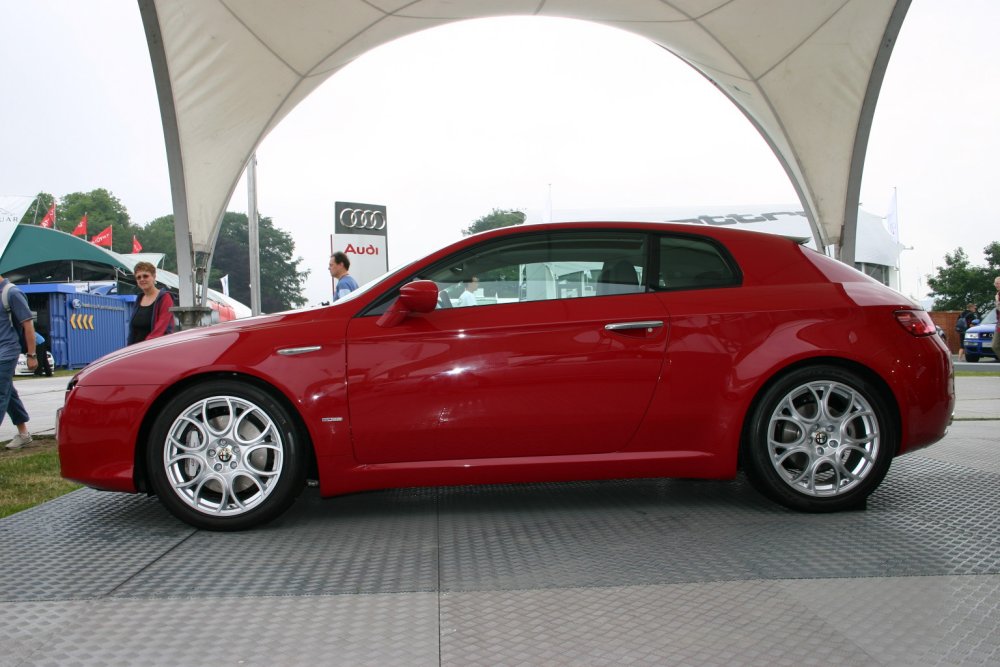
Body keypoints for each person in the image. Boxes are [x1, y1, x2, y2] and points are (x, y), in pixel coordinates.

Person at [0, 274, 36, 450]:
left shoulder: (12, 293)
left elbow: (28, 325)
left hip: (8, 351)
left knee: (0, 392)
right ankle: (24, 435)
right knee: (9, 393)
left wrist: (32, 355)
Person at [128, 261, 175, 345]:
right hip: (136, 350)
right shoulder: (139, 299)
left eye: (145, 276)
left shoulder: (165, 298)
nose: (142, 279)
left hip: (155, 349)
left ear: (154, 277)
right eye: (138, 277)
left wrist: (145, 346)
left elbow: (161, 327)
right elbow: (132, 331)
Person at [993, 276, 1000, 358]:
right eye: (995, 283)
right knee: (994, 345)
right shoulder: (998, 294)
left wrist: (997, 301)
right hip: (998, 324)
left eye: (998, 283)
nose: (996, 285)